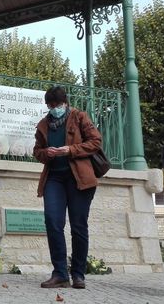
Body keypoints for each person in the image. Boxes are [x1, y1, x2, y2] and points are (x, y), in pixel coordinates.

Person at [33, 86, 102, 290]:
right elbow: (37, 151)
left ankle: (78, 274)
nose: (55, 109)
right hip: (54, 179)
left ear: (66, 103)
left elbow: (95, 142)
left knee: (78, 226)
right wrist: (48, 153)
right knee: (53, 222)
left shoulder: (80, 117)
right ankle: (60, 274)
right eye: (51, 105)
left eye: (58, 105)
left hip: (79, 178)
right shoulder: (43, 125)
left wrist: (70, 150)